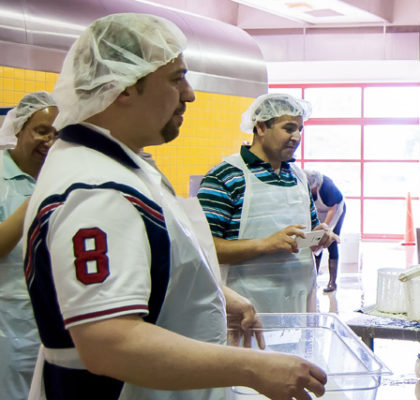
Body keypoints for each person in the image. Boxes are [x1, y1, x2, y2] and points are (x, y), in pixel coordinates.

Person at [23, 13, 326, 399]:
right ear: (125, 88)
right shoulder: (96, 189)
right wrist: (251, 367)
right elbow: (108, 342)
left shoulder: (120, 165)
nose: (189, 94)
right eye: (176, 77)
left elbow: (147, 263)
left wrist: (212, 296)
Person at [198, 93, 336, 313]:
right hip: (246, 312)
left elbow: (307, 242)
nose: (296, 137)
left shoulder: (299, 178)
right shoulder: (225, 176)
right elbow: (203, 248)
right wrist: (264, 244)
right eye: (289, 128)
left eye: (300, 129)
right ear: (261, 127)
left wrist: (319, 237)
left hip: (299, 308)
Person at [0, 91, 58, 400]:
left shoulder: (61, 181)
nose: (49, 140)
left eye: (57, 134)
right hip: (8, 328)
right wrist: (37, 200)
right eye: (41, 130)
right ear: (20, 127)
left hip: (51, 326)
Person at [305, 169, 345, 293]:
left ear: (316, 186)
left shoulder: (327, 187)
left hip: (335, 211)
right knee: (316, 240)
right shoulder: (305, 186)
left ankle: (332, 282)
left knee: (330, 241)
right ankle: (313, 278)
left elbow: (333, 208)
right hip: (319, 212)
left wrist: (325, 228)